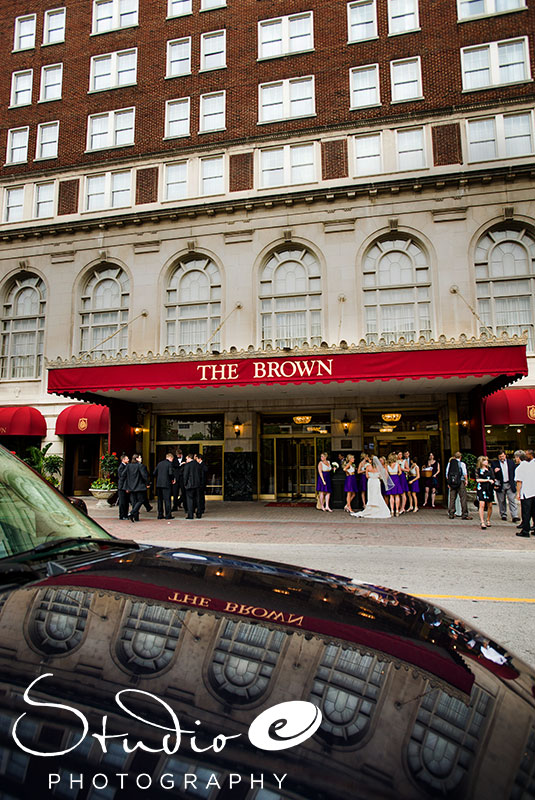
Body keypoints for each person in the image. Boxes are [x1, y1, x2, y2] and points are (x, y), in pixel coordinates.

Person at [491, 450, 520, 523]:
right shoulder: (495, 463)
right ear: (498, 457)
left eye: (503, 456)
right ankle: (503, 514)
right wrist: (494, 471)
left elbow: (514, 472)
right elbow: (491, 473)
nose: (502, 458)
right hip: (500, 484)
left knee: (512, 500)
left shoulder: (511, 462)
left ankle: (514, 515)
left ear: (505, 455)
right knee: (501, 500)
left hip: (509, 483)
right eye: (500, 456)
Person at [445, 452, 472, 520]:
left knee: (452, 498)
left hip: (452, 483)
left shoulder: (449, 464)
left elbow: (447, 474)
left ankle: (451, 513)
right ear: (460, 457)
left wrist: (449, 482)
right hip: (460, 482)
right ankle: (464, 514)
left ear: (454, 457)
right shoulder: (462, 464)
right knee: (463, 498)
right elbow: (464, 473)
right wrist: (466, 480)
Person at [515, 448, 535, 538]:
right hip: (533, 491)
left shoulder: (520, 468)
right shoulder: (532, 465)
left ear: (518, 458)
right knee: (534, 512)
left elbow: (519, 482)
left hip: (526, 492)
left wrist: (518, 493)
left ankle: (525, 530)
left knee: (526, 512)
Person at [125, 453, 150, 522]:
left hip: (131, 487)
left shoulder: (128, 466)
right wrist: (147, 483)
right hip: (139, 486)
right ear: (137, 459)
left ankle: (136, 517)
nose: (141, 459)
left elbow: (124, 475)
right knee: (140, 500)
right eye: (140, 457)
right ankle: (132, 513)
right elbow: (144, 476)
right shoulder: (141, 466)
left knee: (134, 502)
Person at [153, 452, 176, 520]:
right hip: (166, 484)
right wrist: (173, 479)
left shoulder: (159, 463)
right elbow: (170, 473)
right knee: (167, 500)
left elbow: (154, 473)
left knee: (159, 500)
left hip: (159, 484)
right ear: (170, 458)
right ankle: (168, 515)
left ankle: (160, 514)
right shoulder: (169, 464)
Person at [475, 455, 494, 529]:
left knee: (490, 505)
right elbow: (478, 479)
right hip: (481, 488)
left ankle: (488, 519)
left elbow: (493, 477)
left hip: (489, 488)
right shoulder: (478, 470)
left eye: (487, 460)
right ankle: (482, 521)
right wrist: (487, 480)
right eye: (484, 460)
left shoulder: (490, 469)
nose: (486, 462)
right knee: (481, 504)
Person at [182, 453, 203, 519]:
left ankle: (190, 515)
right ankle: (199, 514)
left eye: (186, 459)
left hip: (190, 485)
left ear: (189, 458)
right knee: (198, 499)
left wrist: (184, 484)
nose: (186, 460)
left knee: (190, 500)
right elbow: (201, 475)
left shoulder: (187, 465)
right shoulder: (198, 465)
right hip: (197, 485)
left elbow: (185, 476)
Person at [195, 453, 209, 517]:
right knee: (200, 496)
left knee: (201, 496)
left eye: (197, 458)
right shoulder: (198, 465)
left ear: (199, 459)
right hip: (200, 483)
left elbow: (205, 471)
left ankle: (201, 508)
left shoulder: (203, 465)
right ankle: (201, 508)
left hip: (201, 483)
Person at [117, 453, 130, 520]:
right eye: (127, 459)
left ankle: (125, 514)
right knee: (122, 502)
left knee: (126, 501)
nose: (128, 460)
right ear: (123, 460)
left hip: (125, 486)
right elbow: (122, 476)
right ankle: (122, 515)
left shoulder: (126, 466)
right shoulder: (121, 467)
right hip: (122, 487)